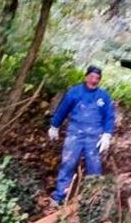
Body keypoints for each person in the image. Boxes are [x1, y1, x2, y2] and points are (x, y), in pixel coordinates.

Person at [48, 65, 115, 205]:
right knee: (68, 163)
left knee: (94, 167)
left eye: (97, 78)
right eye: (91, 77)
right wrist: (54, 126)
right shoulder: (74, 92)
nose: (94, 80)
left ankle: (94, 199)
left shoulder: (103, 96)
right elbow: (62, 110)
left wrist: (107, 135)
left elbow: (109, 117)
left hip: (94, 137)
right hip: (75, 134)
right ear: (86, 77)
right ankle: (60, 195)